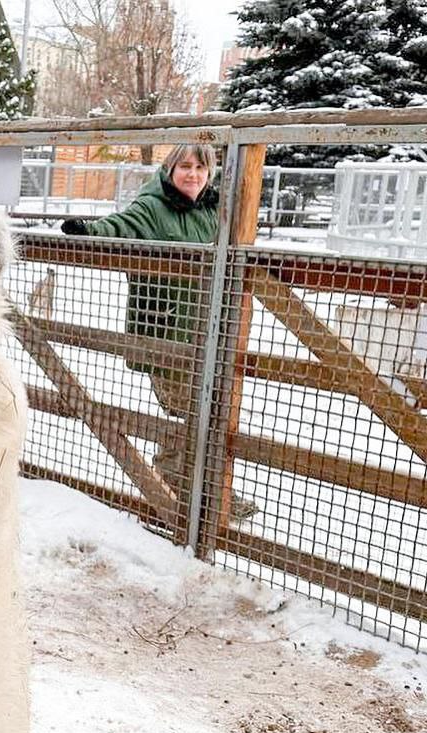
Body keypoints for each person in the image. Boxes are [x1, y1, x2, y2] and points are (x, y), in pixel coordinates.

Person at [61, 145, 259, 522]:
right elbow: (122, 225)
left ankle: (199, 492)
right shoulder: (153, 206)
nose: (193, 175)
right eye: (185, 166)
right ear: (169, 170)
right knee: (189, 412)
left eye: (201, 167)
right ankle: (179, 492)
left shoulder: (213, 210)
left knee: (210, 412)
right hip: (165, 333)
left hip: (207, 333)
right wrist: (89, 231)